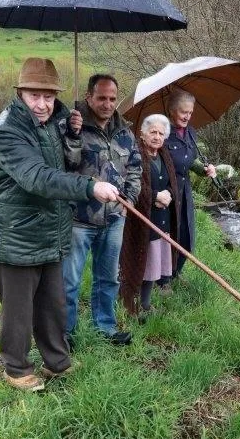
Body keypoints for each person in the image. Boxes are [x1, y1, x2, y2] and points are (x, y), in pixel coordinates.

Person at [0, 58, 119, 392]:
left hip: (52, 229)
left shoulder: (57, 120)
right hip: (18, 232)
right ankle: (16, 369)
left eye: (49, 96)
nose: (43, 103)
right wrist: (91, 187)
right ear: (20, 93)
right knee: (18, 310)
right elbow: (38, 178)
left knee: (53, 304)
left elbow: (69, 163)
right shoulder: (8, 130)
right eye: (35, 95)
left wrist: (73, 133)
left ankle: (57, 362)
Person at [63, 74, 142, 346]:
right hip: (79, 219)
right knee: (69, 281)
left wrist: (129, 201)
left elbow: (134, 169)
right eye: (101, 98)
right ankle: (65, 334)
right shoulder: (73, 126)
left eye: (112, 98)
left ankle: (105, 328)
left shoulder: (125, 132)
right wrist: (72, 135)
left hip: (114, 219)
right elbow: (67, 165)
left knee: (107, 278)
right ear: (89, 97)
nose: (107, 104)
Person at [120, 114, 179, 317]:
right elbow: (132, 184)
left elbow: (173, 181)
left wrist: (169, 194)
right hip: (140, 220)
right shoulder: (135, 153)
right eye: (152, 132)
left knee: (154, 264)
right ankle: (130, 304)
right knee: (139, 262)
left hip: (161, 220)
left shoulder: (164, 155)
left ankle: (145, 304)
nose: (157, 136)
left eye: (161, 133)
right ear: (143, 134)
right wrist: (154, 196)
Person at [163, 89, 216, 284]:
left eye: (190, 112)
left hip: (185, 192)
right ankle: (164, 279)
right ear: (172, 110)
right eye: (183, 112)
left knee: (186, 235)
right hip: (167, 192)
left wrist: (204, 169)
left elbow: (190, 160)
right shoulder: (162, 133)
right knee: (168, 236)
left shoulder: (191, 133)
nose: (187, 116)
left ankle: (176, 271)